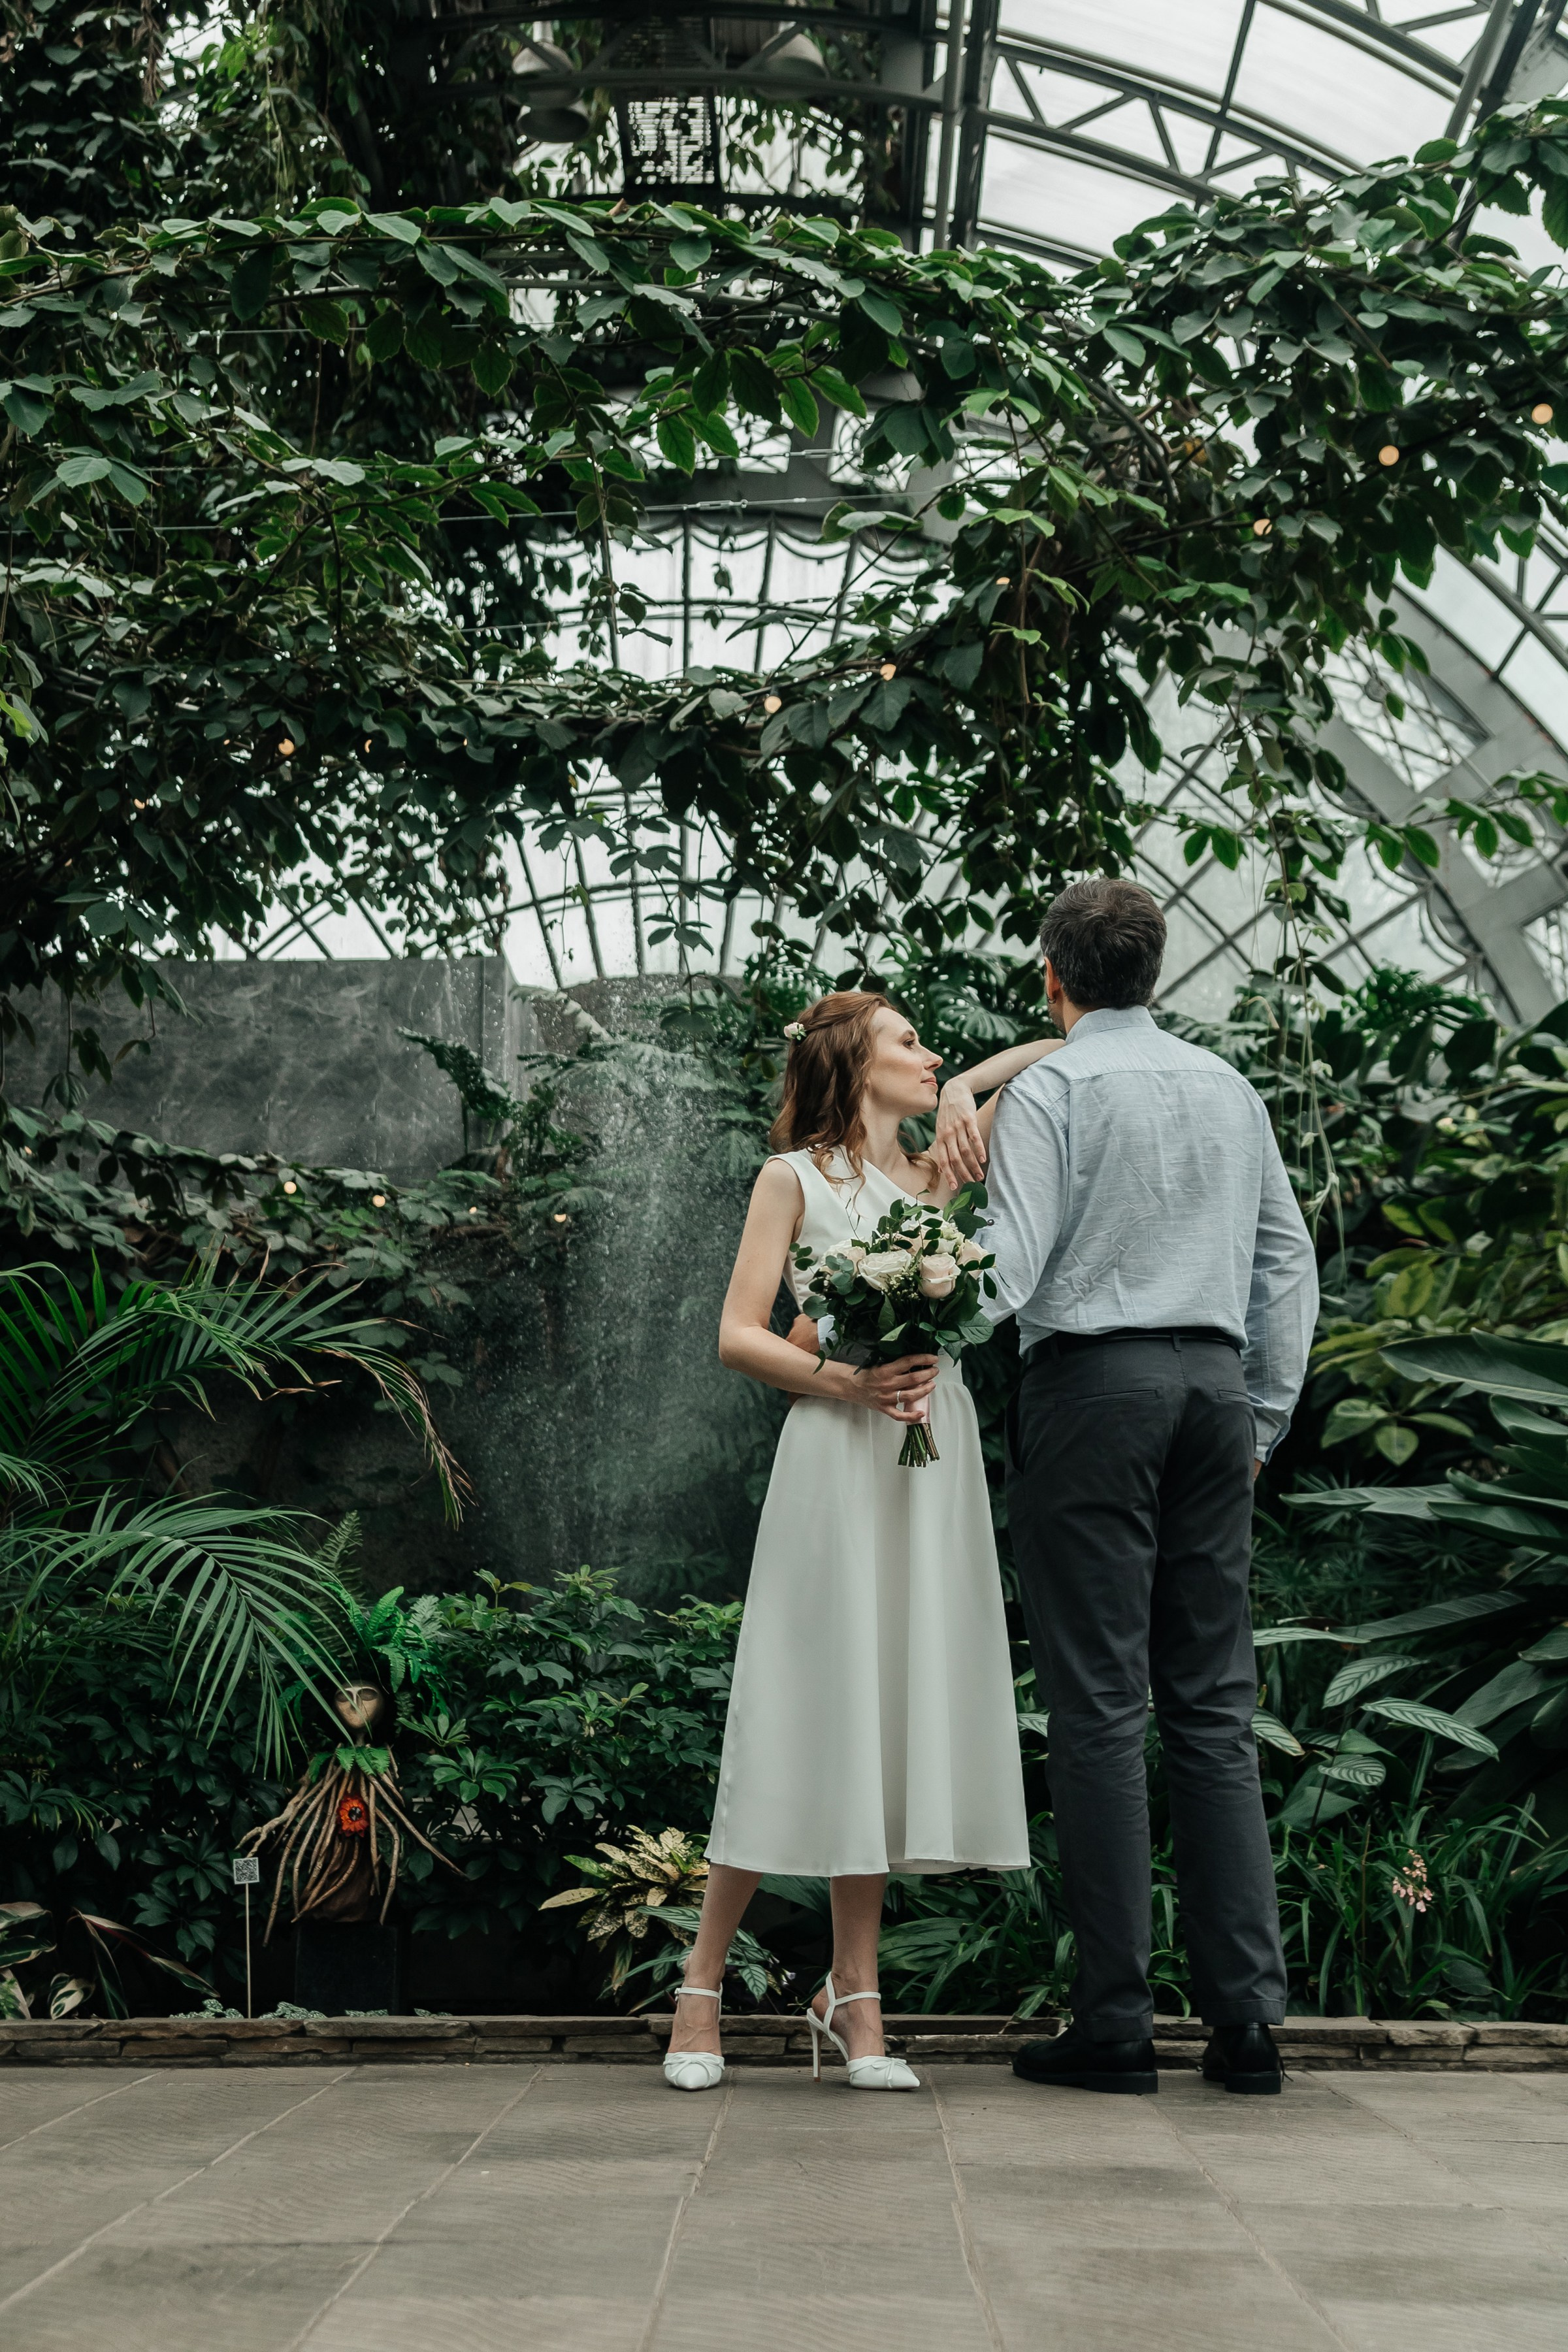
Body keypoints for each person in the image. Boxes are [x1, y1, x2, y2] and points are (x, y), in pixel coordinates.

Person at [932, 879, 1318, 2097]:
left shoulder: (1052, 1091)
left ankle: (1116, 2028)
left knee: (1099, 1705)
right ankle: (1247, 2029)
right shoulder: (1229, 1088)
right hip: (1214, 1393)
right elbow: (1284, 1261)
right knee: (1213, 1705)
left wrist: (896, 1327)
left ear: (1053, 978)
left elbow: (1011, 1268)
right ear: (1155, 972)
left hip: (1095, 1393)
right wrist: (1262, 1414)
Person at [662, 990, 1058, 2094]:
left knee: (882, 1714)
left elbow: (1057, 1051)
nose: (929, 1057)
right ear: (851, 1061)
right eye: (909, 1043)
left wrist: (969, 1083)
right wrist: (846, 1380)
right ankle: (700, 1986)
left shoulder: (937, 1176)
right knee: (799, 1701)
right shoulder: (790, 1179)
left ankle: (855, 1993)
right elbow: (738, 1334)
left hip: (931, 1457)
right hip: (837, 1456)